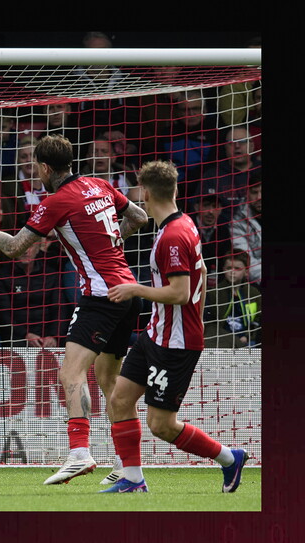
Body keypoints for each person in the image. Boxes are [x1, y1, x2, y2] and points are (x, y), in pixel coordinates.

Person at [0, 134, 149, 485]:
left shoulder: (57, 201)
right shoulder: (100, 184)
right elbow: (139, 216)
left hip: (101, 296)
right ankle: (129, 469)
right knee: (109, 382)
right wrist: (111, 241)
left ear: (44, 167)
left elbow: (14, 248)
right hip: (128, 291)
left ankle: (79, 452)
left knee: (70, 374)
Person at [101, 160, 247, 493]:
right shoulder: (184, 224)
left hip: (176, 344)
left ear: (146, 193)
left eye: (138, 191)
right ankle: (133, 479)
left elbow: (180, 293)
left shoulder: (173, 236)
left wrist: (135, 289)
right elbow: (205, 272)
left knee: (161, 425)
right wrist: (198, 312)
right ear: (176, 190)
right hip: (157, 333)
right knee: (120, 400)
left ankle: (229, 458)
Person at [204, 251, 262, 348]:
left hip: (248, 341)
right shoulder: (214, 293)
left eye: (237, 268)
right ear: (223, 270)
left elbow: (257, 320)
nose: (232, 272)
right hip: (221, 341)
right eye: (229, 268)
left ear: (246, 272)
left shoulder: (253, 293)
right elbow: (211, 324)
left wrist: (248, 337)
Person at [230, 178, 262, 285]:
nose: (259, 197)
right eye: (254, 192)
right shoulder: (238, 222)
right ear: (247, 194)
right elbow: (248, 264)